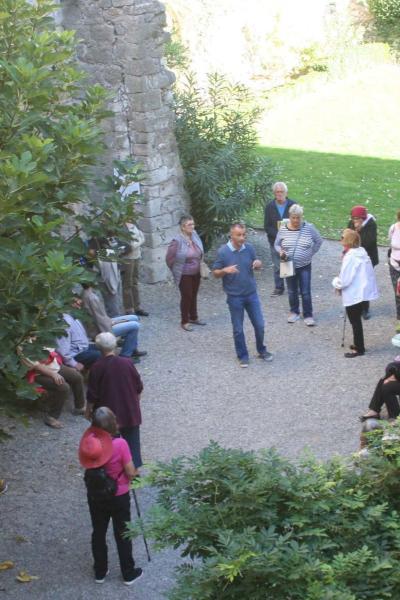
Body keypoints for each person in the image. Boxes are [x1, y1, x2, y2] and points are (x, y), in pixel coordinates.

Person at [79, 407, 143, 585]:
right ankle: (128, 573)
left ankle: (100, 571)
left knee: (98, 531)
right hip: (119, 494)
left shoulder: (89, 442)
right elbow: (130, 472)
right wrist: (135, 474)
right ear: (113, 424)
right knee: (122, 532)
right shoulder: (120, 444)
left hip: (96, 494)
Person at [212, 222, 273, 368]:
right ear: (231, 235)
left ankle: (261, 350)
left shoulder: (249, 249)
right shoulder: (223, 252)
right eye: (239, 235)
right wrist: (225, 270)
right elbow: (215, 273)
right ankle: (243, 356)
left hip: (251, 294)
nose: (242, 238)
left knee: (259, 325)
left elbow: (256, 264)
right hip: (234, 297)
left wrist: (258, 263)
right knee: (238, 328)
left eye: (244, 234)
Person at [86, 333, 143, 470]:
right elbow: (138, 387)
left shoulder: (97, 367)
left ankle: (113, 470)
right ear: (115, 345)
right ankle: (133, 471)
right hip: (129, 410)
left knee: (109, 443)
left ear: (99, 348)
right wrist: (135, 402)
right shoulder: (127, 362)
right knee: (132, 443)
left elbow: (92, 394)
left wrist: (88, 410)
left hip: (108, 415)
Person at [332, 229, 378, 358]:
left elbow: (345, 279)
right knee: (356, 320)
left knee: (355, 321)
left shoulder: (351, 257)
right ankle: (359, 344)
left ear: (348, 241)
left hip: (353, 293)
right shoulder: (361, 253)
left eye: (342, 237)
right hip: (361, 293)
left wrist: (336, 282)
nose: (340, 239)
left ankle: (359, 348)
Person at [274, 204, 322, 326]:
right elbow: (276, 244)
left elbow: (319, 241)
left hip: (305, 265)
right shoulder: (283, 229)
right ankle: (294, 312)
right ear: (289, 216)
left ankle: (308, 314)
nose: (296, 220)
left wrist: (311, 253)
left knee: (305, 291)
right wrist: (280, 251)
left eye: (298, 217)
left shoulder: (309, 228)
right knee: (291, 291)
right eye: (293, 217)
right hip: (288, 263)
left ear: (302, 217)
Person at [81, 285, 146, 361]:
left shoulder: (86, 294)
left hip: (104, 322)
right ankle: (125, 356)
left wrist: (113, 321)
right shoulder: (91, 298)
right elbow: (99, 319)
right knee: (135, 326)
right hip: (100, 329)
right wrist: (110, 333)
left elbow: (101, 317)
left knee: (134, 317)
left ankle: (132, 348)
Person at [24, 348, 86, 428]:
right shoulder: (23, 343)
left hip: (54, 367)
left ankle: (79, 407)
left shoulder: (39, 336)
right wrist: (53, 374)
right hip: (37, 374)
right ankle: (52, 417)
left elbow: (50, 351)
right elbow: (36, 366)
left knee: (77, 377)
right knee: (63, 387)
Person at [166, 215, 206, 332]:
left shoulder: (195, 236)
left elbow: (200, 251)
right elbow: (169, 258)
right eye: (189, 225)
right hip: (184, 273)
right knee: (187, 296)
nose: (192, 227)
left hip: (196, 271)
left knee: (194, 294)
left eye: (193, 224)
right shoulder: (177, 241)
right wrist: (176, 270)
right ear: (183, 227)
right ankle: (185, 321)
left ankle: (193, 317)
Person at [264, 182, 295, 296]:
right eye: (277, 192)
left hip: (289, 241)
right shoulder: (269, 207)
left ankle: (292, 287)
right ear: (274, 193)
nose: (279, 194)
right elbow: (267, 226)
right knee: (277, 265)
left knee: (288, 264)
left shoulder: (292, 205)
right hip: (275, 241)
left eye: (281, 191)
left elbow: (297, 223)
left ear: (286, 193)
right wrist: (278, 236)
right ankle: (279, 287)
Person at [348, 205, 379, 320]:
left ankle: (365, 309)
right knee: (355, 282)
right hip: (354, 258)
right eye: (354, 218)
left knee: (365, 284)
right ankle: (356, 307)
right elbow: (348, 238)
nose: (355, 221)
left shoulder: (371, 224)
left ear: (363, 218)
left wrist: (358, 232)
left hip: (367, 259)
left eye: (357, 219)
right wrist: (355, 231)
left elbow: (368, 242)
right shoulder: (351, 223)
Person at [120, 223, 149, 317]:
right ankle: (129, 309)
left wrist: (137, 243)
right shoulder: (121, 226)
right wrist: (139, 241)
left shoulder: (135, 223)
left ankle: (137, 307)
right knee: (127, 283)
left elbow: (142, 238)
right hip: (127, 258)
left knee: (135, 282)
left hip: (136, 256)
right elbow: (128, 247)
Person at [388, 210, 400, 333]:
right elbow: (390, 242)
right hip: (394, 264)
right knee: (397, 292)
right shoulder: (393, 228)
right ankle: (399, 319)